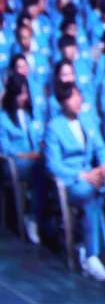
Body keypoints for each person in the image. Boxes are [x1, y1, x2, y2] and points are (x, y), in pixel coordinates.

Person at [44, 82, 105, 281]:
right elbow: (53, 166)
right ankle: (92, 255)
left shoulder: (87, 120)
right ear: (62, 102)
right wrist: (82, 176)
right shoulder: (54, 127)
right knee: (90, 194)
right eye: (72, 97)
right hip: (70, 179)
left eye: (79, 95)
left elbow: (100, 148)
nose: (78, 100)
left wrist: (104, 166)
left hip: (90, 171)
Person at [0, 74, 46, 243]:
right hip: (15, 163)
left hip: (34, 158)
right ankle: (33, 217)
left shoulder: (29, 114)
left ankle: (43, 216)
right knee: (38, 170)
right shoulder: (3, 118)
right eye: (20, 93)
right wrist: (27, 156)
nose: (23, 97)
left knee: (44, 168)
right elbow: (6, 149)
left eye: (25, 93)